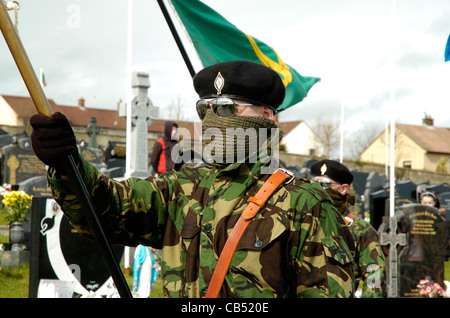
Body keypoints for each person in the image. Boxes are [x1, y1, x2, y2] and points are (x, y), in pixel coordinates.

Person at [30, 60, 355, 298]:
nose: (213, 119)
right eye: (206, 109)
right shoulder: (182, 188)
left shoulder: (304, 202)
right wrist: (66, 163)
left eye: (226, 108)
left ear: (267, 116)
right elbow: (108, 208)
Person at [310, 159, 386, 298]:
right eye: (315, 183)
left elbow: (374, 274)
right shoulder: (304, 223)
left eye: (325, 184)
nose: (319, 189)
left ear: (344, 188)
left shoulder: (360, 229)